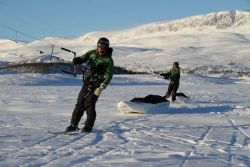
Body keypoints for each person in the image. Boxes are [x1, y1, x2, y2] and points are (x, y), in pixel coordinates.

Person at [65, 37, 114, 133]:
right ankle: (73, 125)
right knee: (80, 103)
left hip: (97, 85)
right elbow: (83, 58)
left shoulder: (108, 60)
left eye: (103, 47)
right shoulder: (92, 53)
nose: (100, 48)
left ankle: (88, 126)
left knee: (90, 104)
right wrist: (77, 60)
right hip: (87, 82)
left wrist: (102, 87)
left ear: (106, 48)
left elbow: (109, 75)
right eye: (99, 46)